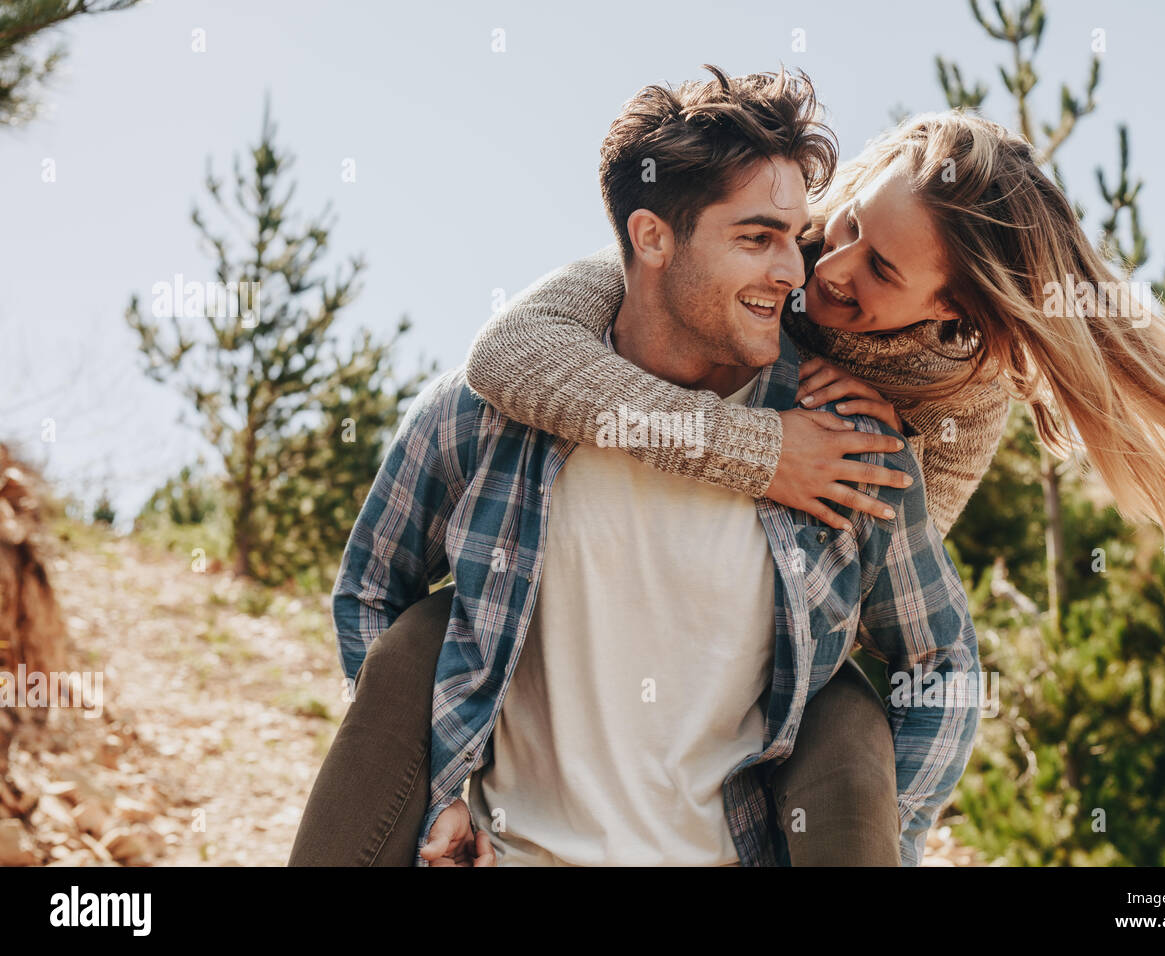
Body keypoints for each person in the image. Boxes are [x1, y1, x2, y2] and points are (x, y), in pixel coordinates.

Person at [289, 64, 982, 868]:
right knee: (418, 636)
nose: (797, 274)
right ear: (652, 237)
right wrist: (439, 794)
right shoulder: (494, 412)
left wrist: (889, 830)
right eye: (757, 238)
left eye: (795, 237)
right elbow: (372, 587)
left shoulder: (846, 446)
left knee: (848, 711)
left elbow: (942, 664)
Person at [464, 109, 1165, 550]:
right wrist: (763, 450)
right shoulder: (776, 244)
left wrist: (895, 457)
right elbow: (513, 351)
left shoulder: (961, 396)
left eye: (882, 271)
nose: (829, 267)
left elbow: (883, 603)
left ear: (952, 311)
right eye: (851, 224)